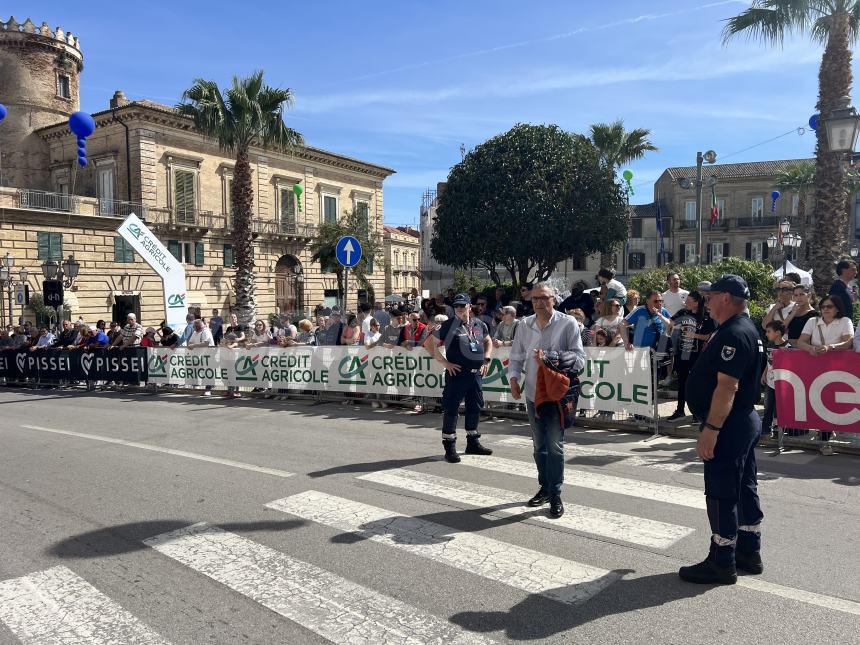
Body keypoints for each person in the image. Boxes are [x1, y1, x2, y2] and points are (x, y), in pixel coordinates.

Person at [679, 274, 764, 585]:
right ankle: (748, 552)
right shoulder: (745, 328)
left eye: (711, 296)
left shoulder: (733, 333)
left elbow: (727, 386)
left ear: (725, 298)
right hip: (741, 420)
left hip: (728, 424)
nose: (707, 302)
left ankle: (721, 560)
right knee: (744, 487)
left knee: (721, 492)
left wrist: (711, 428)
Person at [508, 282, 585, 519]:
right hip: (532, 394)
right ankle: (545, 486)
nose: (539, 303)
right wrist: (513, 378)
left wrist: (551, 358)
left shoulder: (568, 323)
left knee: (554, 446)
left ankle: (555, 493)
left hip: (557, 395)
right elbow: (516, 356)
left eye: (544, 298)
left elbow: (580, 359)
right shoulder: (524, 325)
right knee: (538, 446)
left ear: (554, 299)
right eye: (534, 299)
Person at [423, 292, 494, 463]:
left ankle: (473, 442)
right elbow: (428, 344)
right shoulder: (447, 325)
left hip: (475, 374)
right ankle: (450, 447)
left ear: (470, 306)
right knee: (452, 409)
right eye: (456, 306)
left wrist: (487, 359)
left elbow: (488, 340)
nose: (459, 309)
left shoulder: (479, 323)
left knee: (475, 407)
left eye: (463, 305)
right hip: (457, 374)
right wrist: (445, 363)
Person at [796, 295, 855, 455]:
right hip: (815, 367)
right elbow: (801, 341)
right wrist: (810, 349)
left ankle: (826, 435)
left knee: (832, 401)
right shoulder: (812, 321)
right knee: (817, 398)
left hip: (839, 369)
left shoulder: (845, 321)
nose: (825, 309)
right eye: (823, 307)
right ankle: (824, 437)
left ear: (837, 308)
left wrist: (829, 348)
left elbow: (848, 342)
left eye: (829, 306)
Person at [667, 291, 714, 421]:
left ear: (696, 303)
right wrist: (660, 315)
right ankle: (680, 410)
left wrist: (694, 335)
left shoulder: (705, 315)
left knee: (697, 384)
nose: (685, 302)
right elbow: (670, 322)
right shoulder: (683, 312)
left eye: (688, 301)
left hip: (698, 355)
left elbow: (710, 336)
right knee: (682, 383)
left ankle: (697, 414)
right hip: (683, 354)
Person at [761, 320, 790, 452]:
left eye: (769, 331)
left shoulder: (788, 347)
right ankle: (765, 432)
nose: (766, 334)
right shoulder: (770, 345)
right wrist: (764, 374)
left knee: (779, 409)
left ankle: (779, 431)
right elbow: (769, 362)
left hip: (782, 383)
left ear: (778, 333)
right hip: (770, 381)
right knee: (768, 407)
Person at [186, 319, 215, 396]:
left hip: (208, 355)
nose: (193, 328)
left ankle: (208, 389)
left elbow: (206, 343)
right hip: (198, 356)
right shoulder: (195, 333)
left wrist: (194, 345)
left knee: (208, 373)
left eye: (194, 326)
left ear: (198, 326)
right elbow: (190, 342)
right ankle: (196, 386)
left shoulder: (206, 331)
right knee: (199, 372)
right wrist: (190, 345)